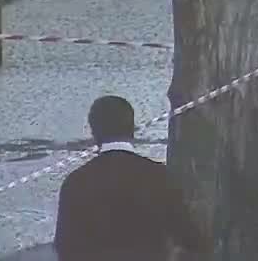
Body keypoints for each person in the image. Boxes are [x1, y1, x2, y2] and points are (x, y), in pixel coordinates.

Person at [55, 95, 205, 260]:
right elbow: (191, 239)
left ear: (93, 131)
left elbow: (65, 247)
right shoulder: (160, 177)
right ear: (132, 128)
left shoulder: (76, 182)